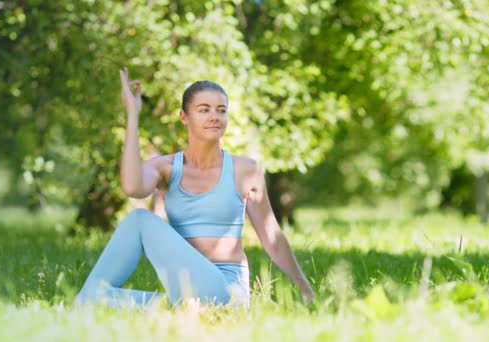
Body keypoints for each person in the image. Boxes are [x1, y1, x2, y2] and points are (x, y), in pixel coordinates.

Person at [74, 67, 314, 309]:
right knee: (96, 294)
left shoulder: (245, 170)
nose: (214, 116)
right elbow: (132, 187)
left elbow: (272, 237)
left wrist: (305, 288)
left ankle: (179, 309)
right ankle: (98, 302)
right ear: (184, 117)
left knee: (140, 220)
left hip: (228, 291)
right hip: (187, 291)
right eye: (204, 110)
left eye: (221, 110)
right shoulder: (167, 168)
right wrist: (133, 115)